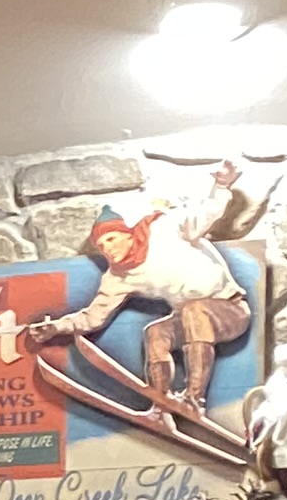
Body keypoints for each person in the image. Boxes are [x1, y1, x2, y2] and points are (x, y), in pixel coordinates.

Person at [32, 169, 257, 423]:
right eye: (102, 246)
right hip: (188, 319)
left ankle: (195, 399)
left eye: (111, 239)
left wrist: (221, 186)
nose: (108, 249)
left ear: (128, 234)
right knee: (156, 333)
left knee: (193, 310)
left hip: (230, 311)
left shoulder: (166, 229)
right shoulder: (118, 277)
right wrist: (56, 327)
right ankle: (161, 406)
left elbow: (205, 215)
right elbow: (92, 318)